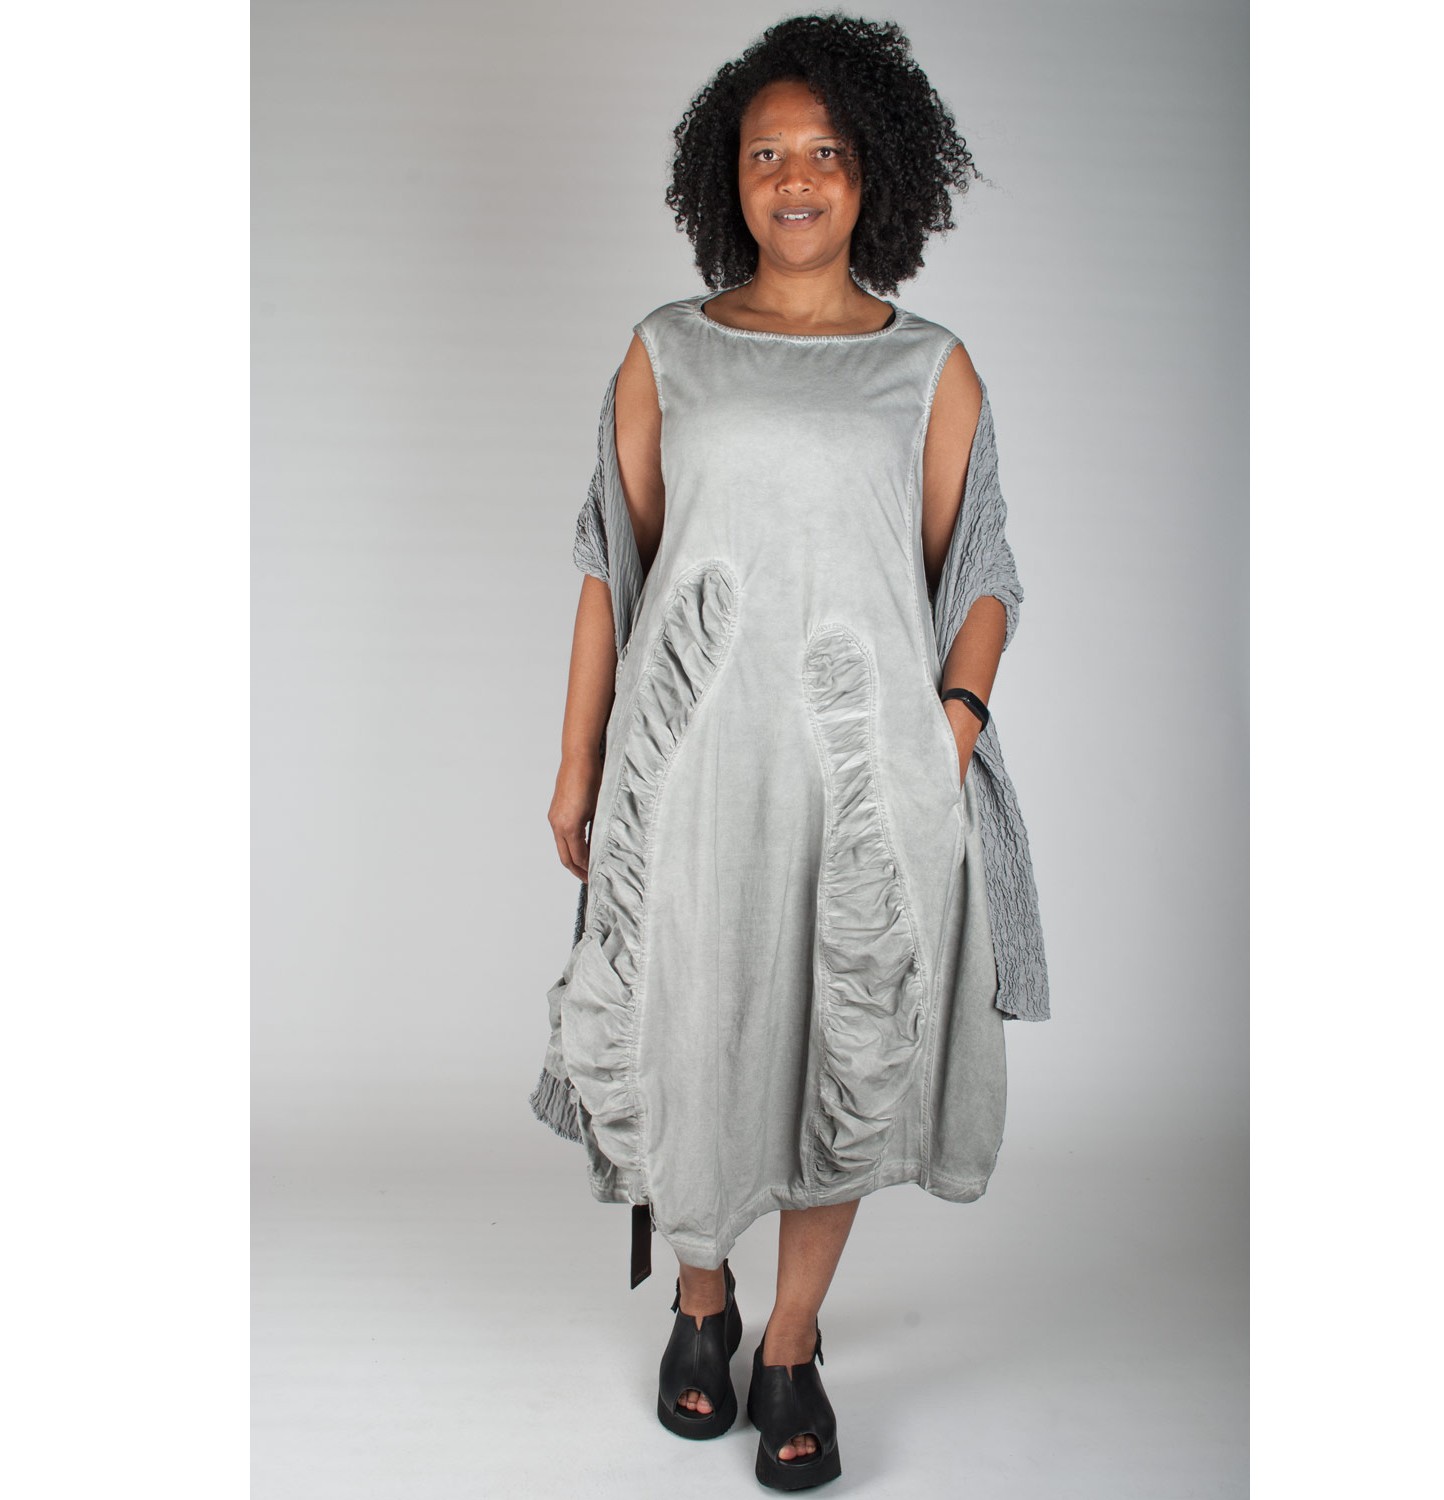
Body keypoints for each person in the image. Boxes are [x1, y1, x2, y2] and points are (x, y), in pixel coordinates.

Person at [531, 14, 1049, 1490]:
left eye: (825, 152)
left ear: (874, 171)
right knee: (691, 1029)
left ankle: (792, 1341)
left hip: (862, 777)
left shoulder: (929, 368)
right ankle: (701, 1301)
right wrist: (576, 762)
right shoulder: (666, 352)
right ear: (730, 179)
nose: (797, 178)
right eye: (768, 155)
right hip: (693, 769)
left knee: (846, 1043)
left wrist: (953, 728)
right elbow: (610, 569)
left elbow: (983, 573)